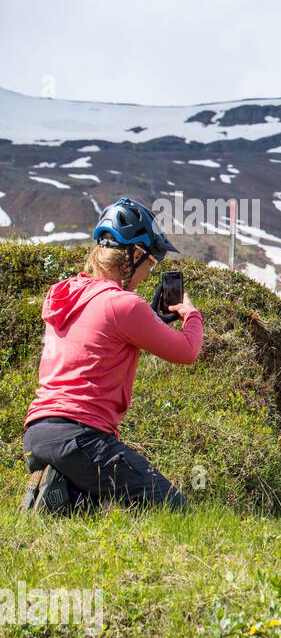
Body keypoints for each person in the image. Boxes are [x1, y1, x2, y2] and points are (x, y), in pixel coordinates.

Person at [20, 197, 204, 514]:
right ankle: (63, 497)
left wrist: (147, 319)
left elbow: (99, 334)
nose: (148, 273)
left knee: (95, 510)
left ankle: (66, 496)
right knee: (174, 509)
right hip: (81, 436)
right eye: (151, 263)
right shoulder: (123, 306)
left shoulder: (64, 293)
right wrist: (191, 314)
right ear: (134, 254)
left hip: (38, 433)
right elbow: (187, 351)